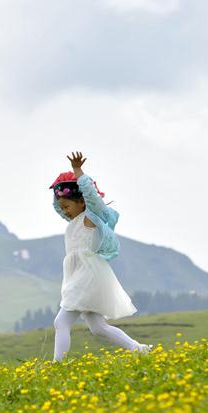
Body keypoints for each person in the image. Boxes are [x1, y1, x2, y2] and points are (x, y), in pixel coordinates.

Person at [48, 151, 153, 362]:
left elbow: (91, 196)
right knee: (98, 327)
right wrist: (59, 188)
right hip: (84, 276)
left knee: (61, 322)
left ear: (82, 202)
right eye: (62, 207)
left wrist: (77, 172)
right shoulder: (74, 220)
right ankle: (139, 349)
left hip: (86, 276)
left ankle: (58, 365)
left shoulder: (90, 217)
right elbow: (58, 206)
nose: (64, 211)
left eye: (67, 206)